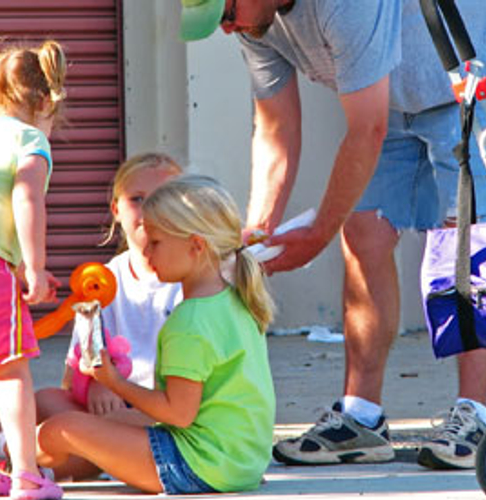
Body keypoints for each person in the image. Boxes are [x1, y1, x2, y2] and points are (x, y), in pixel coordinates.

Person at [179, 0, 486, 469]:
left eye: (226, 12)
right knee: (363, 236)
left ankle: (477, 413)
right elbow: (276, 129)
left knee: (462, 246)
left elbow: (367, 129)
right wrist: (257, 239)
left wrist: (318, 232)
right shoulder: (254, 24)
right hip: (389, 102)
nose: (225, 28)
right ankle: (361, 420)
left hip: (464, 88)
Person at [35, 174, 276, 494]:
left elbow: (177, 413)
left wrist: (113, 382)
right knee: (110, 424)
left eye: (156, 243)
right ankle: (38, 472)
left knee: (61, 429)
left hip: (196, 465)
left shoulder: (190, 321)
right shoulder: (235, 300)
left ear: (196, 246)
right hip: (237, 461)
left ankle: (7, 456)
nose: (147, 253)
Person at [0, 152, 185, 481]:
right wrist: (96, 384)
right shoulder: (101, 278)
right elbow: (79, 365)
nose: (150, 210)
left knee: (74, 431)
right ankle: (25, 460)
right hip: (109, 408)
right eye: (137, 199)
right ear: (116, 209)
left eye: (164, 199)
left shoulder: (188, 278)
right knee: (47, 401)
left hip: (164, 411)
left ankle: (12, 456)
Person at [0, 39, 67, 498]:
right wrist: (34, 268)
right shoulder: (30, 139)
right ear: (43, 102)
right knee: (10, 373)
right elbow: (25, 198)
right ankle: (26, 476)